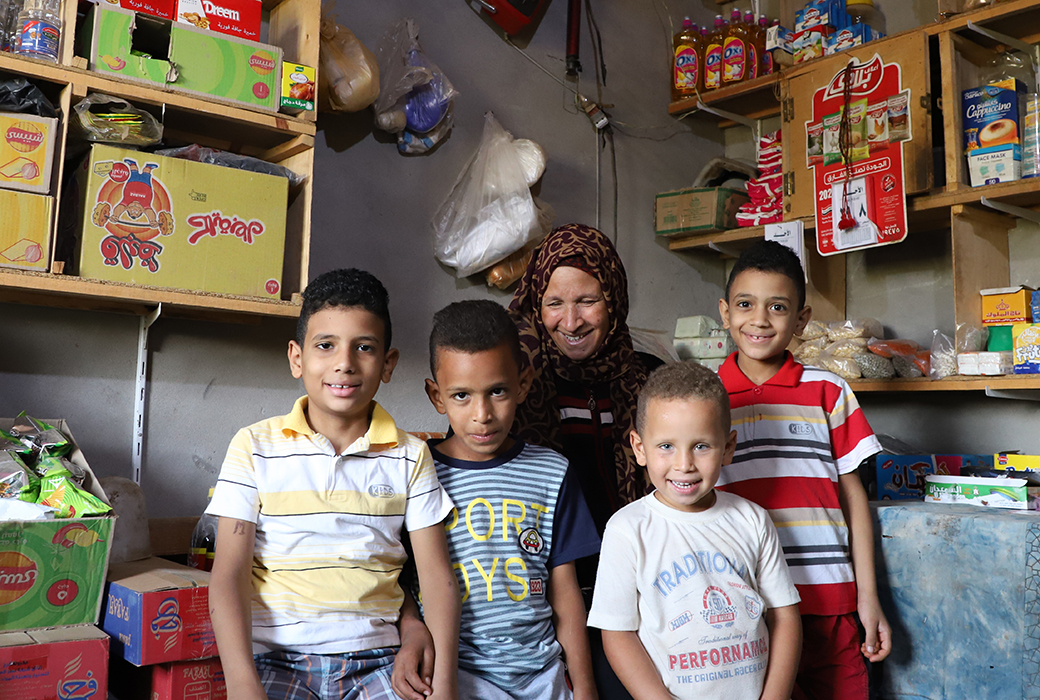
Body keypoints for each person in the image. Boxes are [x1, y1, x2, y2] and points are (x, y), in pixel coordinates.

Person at [207, 268, 461, 700]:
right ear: (297, 357)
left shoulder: (409, 455)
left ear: (388, 364)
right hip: (278, 659)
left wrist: (446, 688)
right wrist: (241, 684)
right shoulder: (254, 446)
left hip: (380, 661)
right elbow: (228, 575)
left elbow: (438, 580)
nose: (344, 362)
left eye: (364, 348)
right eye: (325, 345)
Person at [714, 240, 892, 700]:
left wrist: (866, 596)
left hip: (829, 597)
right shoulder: (706, 398)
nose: (759, 319)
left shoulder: (827, 391)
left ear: (801, 320)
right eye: (745, 304)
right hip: (746, 604)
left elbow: (853, 496)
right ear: (724, 311)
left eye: (777, 307)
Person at [407, 299, 601, 700]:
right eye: (461, 395)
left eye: (497, 391)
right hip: (456, 675)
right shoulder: (416, 473)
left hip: (541, 674)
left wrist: (583, 688)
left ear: (523, 384)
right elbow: (398, 583)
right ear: (436, 396)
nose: (482, 414)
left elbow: (565, 593)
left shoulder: (552, 472)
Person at [587, 361, 802, 700]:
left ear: (727, 448)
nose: (684, 464)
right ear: (640, 448)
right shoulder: (628, 530)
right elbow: (617, 633)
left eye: (701, 446)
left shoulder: (753, 520)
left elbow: (785, 616)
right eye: (666, 446)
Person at [508, 223, 661, 538]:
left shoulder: (652, 382)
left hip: (639, 568)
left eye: (587, 301)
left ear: (613, 299)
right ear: (537, 306)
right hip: (547, 576)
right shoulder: (513, 386)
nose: (571, 322)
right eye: (554, 303)